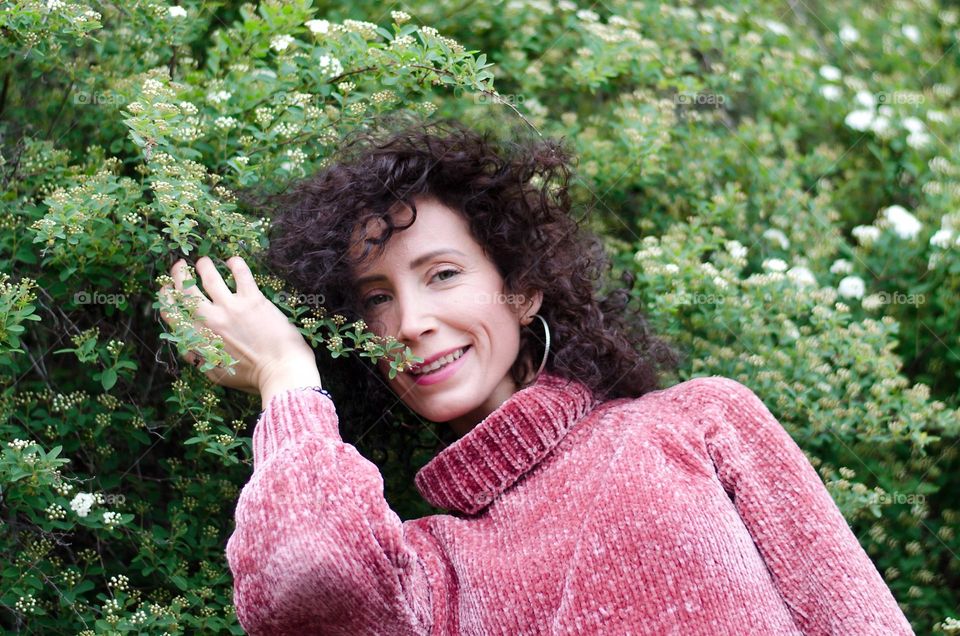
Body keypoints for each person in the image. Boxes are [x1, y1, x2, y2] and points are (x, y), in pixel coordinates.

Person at [159, 117, 915, 635]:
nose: (411, 321)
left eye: (443, 274)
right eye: (376, 300)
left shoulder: (698, 424)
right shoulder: (427, 569)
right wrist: (288, 377)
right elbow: (307, 578)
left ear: (522, 291)